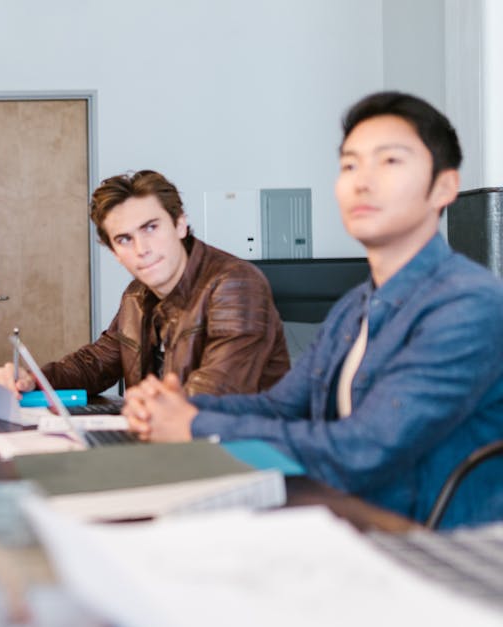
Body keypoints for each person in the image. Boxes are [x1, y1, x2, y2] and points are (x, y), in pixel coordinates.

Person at [124, 91, 503, 529]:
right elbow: (280, 407)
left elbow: (363, 449)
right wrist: (179, 408)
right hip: (343, 519)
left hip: (429, 549)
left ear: (445, 186)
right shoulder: (356, 306)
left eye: (390, 161)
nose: (362, 181)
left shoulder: (467, 304)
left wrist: (193, 424)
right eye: (349, 165)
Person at [0, 170, 290, 399]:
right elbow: (95, 363)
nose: (141, 249)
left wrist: (143, 413)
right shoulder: (137, 294)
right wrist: (33, 379)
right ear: (114, 252)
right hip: (171, 447)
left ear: (180, 224)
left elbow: (218, 393)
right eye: (124, 239)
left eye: (151, 228)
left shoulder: (235, 285)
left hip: (239, 455)